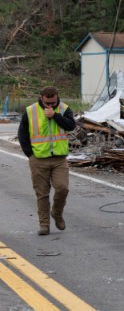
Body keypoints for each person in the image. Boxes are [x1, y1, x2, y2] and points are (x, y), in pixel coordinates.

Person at [17, 86, 76, 235]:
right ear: (41, 98)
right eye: (47, 103)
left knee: (62, 188)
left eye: (53, 102)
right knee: (42, 194)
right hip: (38, 159)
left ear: (57, 97)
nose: (51, 105)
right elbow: (22, 134)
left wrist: (55, 115)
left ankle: (57, 213)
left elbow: (71, 125)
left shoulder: (64, 109)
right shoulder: (31, 111)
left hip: (59, 159)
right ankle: (44, 225)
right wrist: (30, 154)